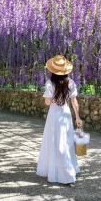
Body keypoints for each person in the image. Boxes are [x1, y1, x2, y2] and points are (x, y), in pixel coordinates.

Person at [36, 55, 83, 185]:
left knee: (54, 141)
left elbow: (47, 102)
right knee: (65, 142)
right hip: (65, 114)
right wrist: (78, 117)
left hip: (54, 114)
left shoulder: (50, 83)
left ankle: (61, 172)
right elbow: (74, 102)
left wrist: (53, 98)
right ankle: (65, 170)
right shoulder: (71, 83)